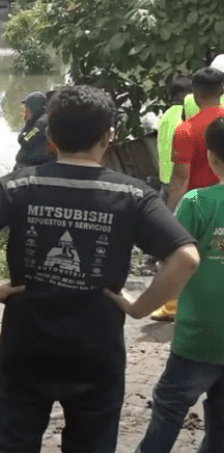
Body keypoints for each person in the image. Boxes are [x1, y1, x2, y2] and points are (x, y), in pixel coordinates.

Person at [0, 84, 199, 453]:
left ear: (50, 135)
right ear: (108, 136)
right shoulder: (132, 196)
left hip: (25, 346)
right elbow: (186, 257)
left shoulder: (18, 185)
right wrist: (139, 307)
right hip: (96, 351)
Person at [134, 116, 224, 452]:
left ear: (212, 158)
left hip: (198, 335)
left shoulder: (197, 203)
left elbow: (171, 258)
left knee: (169, 408)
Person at [158, 67, 224, 321]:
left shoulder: (186, 130)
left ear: (195, 94)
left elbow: (180, 179)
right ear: (221, 90)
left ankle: (179, 308)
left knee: (194, 261)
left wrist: (169, 213)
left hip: (198, 207)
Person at [14, 91, 53, 170]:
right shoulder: (42, 120)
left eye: (27, 108)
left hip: (32, 167)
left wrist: (27, 124)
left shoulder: (42, 122)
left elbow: (25, 140)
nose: (26, 111)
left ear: (33, 108)